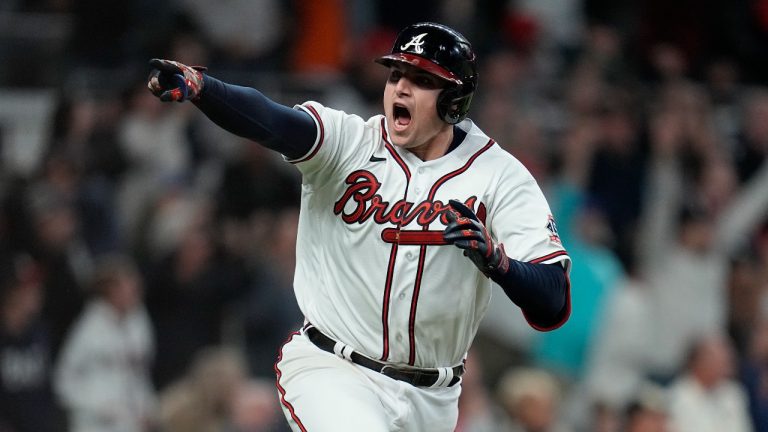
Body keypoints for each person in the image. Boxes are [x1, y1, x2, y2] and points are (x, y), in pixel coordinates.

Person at [147, 21, 571, 432]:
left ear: (454, 100)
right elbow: (274, 121)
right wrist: (205, 89)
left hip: (434, 398)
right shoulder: (350, 142)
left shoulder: (500, 177)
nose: (401, 87)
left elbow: (552, 299)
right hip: (333, 369)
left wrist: (499, 263)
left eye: (421, 79)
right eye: (396, 74)